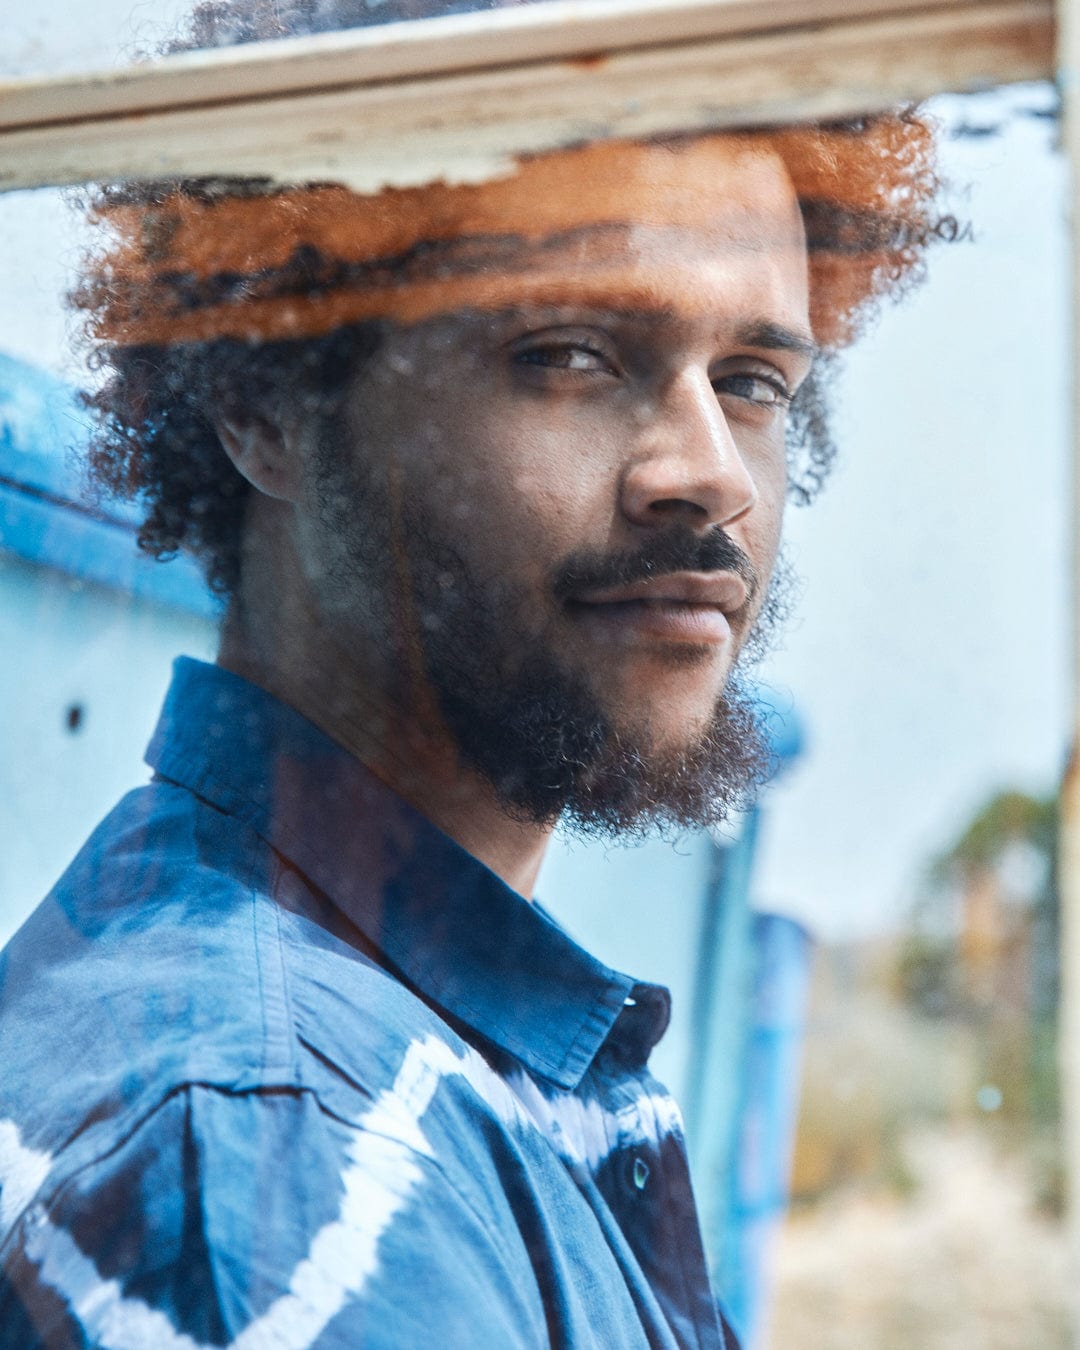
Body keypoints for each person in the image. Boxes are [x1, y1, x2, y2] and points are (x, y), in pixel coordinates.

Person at [0, 3, 950, 1344]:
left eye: (751, 382)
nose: (712, 473)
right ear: (267, 399)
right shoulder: (286, 1162)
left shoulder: (376, 1051)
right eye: (568, 354)